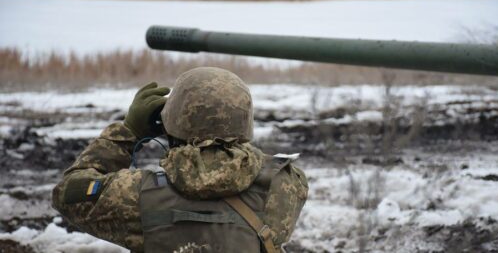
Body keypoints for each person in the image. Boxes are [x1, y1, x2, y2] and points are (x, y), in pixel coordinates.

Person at [52, 67, 308, 253]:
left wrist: (127, 132)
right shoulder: (284, 183)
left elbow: (67, 193)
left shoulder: (135, 194)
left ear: (171, 121)